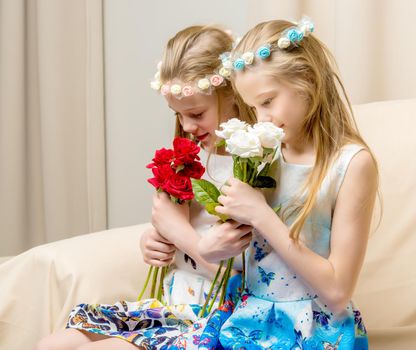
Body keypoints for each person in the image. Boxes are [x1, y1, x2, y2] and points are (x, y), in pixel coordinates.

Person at [35, 25, 254, 350]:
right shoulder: (192, 157)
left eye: (196, 113)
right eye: (178, 115)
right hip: (173, 302)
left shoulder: (251, 166)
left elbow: (249, 278)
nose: (187, 127)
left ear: (233, 96)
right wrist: (155, 241)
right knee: (49, 345)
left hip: (217, 316)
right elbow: (176, 230)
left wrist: (180, 233)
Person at [198, 18, 379, 349]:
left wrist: (262, 215)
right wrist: (210, 247)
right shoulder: (261, 152)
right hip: (243, 317)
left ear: (307, 80)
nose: (260, 119)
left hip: (311, 331)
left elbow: (338, 293)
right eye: (252, 107)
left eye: (267, 101)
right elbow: (243, 255)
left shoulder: (350, 164)